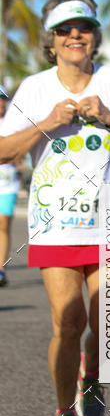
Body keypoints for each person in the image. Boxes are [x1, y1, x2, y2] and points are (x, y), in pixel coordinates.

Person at [0, 0, 110, 416]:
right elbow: (3, 151)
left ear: (95, 36)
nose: (75, 36)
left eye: (83, 28)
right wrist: (45, 123)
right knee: (67, 323)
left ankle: (93, 376)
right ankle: (63, 410)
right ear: (50, 42)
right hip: (56, 223)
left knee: (109, 325)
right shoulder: (34, 88)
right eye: (65, 30)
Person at [0, 85, 18, 286]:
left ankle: (1, 269)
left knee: (3, 222)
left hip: (7, 183)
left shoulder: (13, 124)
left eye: (3, 98)